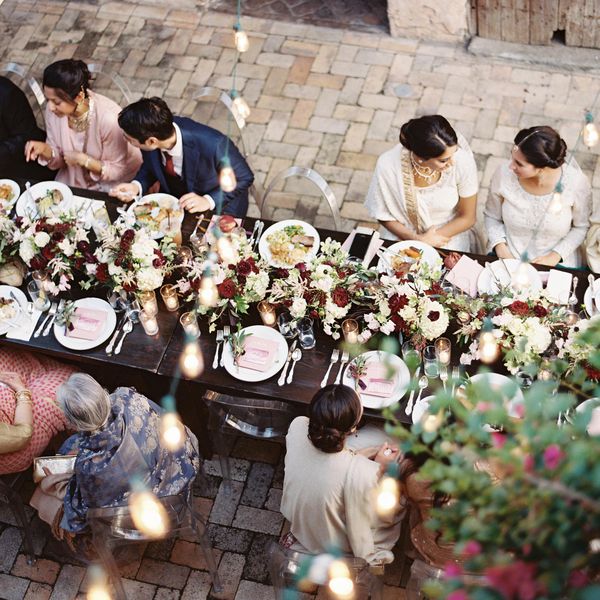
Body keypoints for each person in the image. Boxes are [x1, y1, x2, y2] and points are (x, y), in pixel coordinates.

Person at [30, 373, 199, 538]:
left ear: (74, 424)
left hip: (149, 515)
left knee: (48, 489)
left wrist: (57, 483)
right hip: (180, 467)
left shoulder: (90, 466)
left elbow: (85, 510)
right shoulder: (128, 396)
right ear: (103, 393)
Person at [281, 385, 402, 566]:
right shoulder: (364, 473)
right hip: (337, 540)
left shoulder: (297, 425)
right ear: (353, 429)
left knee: (377, 439)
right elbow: (383, 516)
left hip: (305, 516)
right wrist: (379, 467)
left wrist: (364, 455)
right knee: (396, 449)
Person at [109, 97, 254, 217]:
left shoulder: (215, 144)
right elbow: (150, 166)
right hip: (177, 202)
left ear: (151, 141)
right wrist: (136, 185)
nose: (126, 140)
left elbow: (244, 177)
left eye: (129, 139)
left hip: (221, 206)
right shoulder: (153, 133)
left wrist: (208, 201)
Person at [365, 115, 479, 251]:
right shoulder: (388, 166)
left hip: (448, 234)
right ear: (421, 158)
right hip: (404, 235)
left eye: (454, 153)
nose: (452, 162)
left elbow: (468, 217)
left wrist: (430, 240)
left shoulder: (462, 162)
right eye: (443, 160)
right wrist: (417, 240)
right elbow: (382, 213)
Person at [24, 59, 142, 191]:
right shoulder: (54, 112)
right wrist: (45, 150)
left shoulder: (108, 119)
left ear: (79, 97)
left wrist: (85, 161)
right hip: (73, 179)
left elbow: (119, 170)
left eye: (56, 102)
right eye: (48, 100)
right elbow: (61, 160)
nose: (50, 107)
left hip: (113, 186)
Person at [485, 126, 591, 268]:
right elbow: (491, 216)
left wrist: (554, 256)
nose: (510, 166)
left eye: (519, 164)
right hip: (506, 257)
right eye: (512, 157)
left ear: (542, 169)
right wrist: (501, 248)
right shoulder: (503, 173)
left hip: (557, 262)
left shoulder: (577, 183)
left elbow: (581, 227)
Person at [0, 349, 75, 475]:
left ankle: (43, 369)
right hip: (18, 440)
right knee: (69, 381)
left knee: (10, 355)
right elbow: (23, 434)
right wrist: (21, 390)